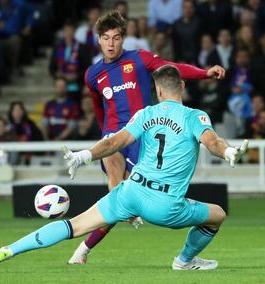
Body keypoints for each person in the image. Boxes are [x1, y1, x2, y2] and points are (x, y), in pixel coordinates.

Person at [0, 64, 248, 270]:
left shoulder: (145, 114)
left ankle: (8, 250)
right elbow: (211, 141)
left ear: (159, 90)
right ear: (183, 87)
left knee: (74, 225)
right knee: (217, 214)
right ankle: (184, 261)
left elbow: (115, 141)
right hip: (164, 204)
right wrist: (229, 151)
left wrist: (84, 156)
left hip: (130, 192)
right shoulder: (194, 116)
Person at [72, 10, 225, 265]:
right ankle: (85, 246)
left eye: (117, 38)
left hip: (141, 134)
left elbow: (171, 70)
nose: (111, 43)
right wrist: (105, 137)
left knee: (123, 197)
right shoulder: (92, 74)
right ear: (98, 40)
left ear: (123, 39)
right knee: (114, 177)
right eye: (106, 38)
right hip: (114, 135)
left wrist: (203, 73)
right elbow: (99, 107)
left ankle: (83, 249)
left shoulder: (140, 60)